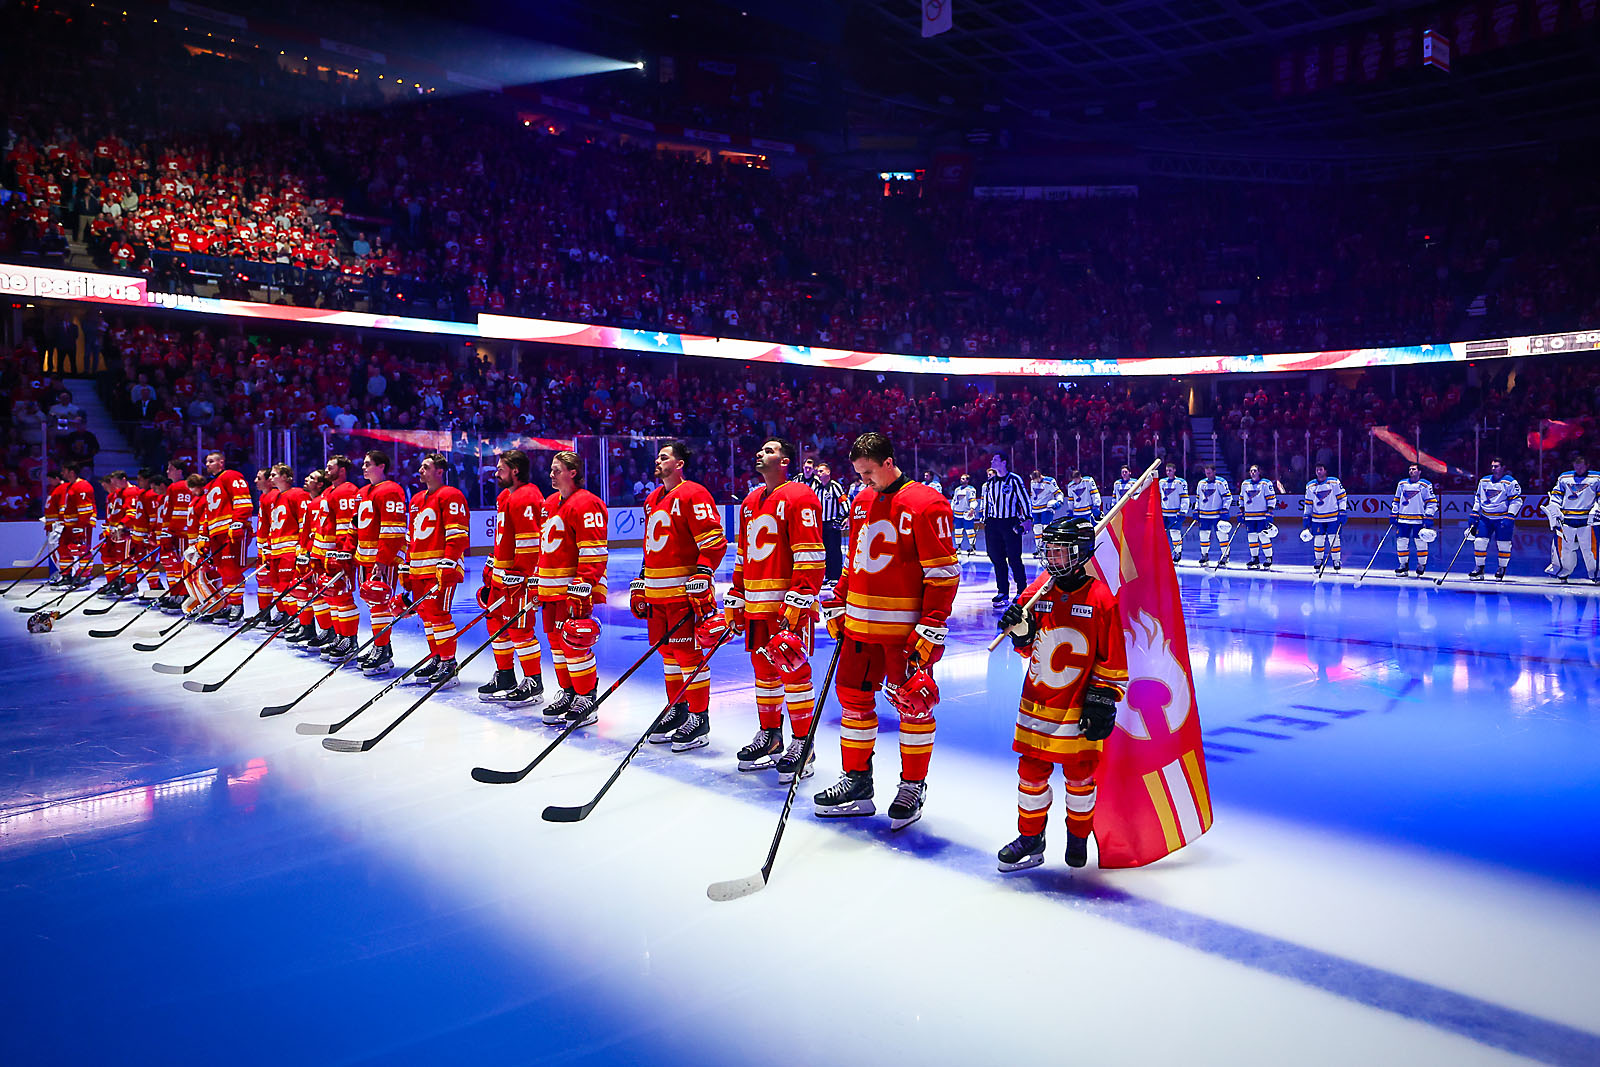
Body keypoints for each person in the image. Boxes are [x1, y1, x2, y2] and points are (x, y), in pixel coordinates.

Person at [814, 432, 958, 830]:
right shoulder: (860, 501)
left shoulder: (927, 502)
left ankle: (913, 785)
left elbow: (943, 573)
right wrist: (838, 599)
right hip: (859, 628)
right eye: (859, 474)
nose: (864, 482)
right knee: (854, 702)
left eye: (869, 473)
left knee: (914, 705)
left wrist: (932, 623)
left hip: (903, 634)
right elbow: (855, 558)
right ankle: (857, 782)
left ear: (889, 462)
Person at [995, 517, 1128, 871]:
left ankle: (1078, 835)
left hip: (1076, 707)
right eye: (1048, 550)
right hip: (1037, 704)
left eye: (1059, 551)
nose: (1051, 557)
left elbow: (1112, 658)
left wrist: (1102, 701)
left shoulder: (1101, 598)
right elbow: (1027, 647)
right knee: (1031, 774)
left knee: (1081, 777)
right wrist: (1019, 631)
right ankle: (1030, 836)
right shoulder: (1041, 590)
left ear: (1081, 553)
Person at [726, 438, 825, 781]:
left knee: (793, 670)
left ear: (785, 461)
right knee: (763, 671)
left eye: (769, 451)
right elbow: (743, 555)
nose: (760, 454)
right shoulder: (750, 501)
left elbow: (811, 553)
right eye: (761, 450)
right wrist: (737, 594)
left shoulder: (800, 496)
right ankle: (770, 736)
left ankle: (803, 743)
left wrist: (799, 599)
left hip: (786, 606)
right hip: (755, 604)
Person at [639, 441, 728, 751]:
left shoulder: (694, 493)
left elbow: (714, 540)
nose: (658, 461)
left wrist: (703, 572)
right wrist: (641, 580)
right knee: (667, 656)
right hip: (657, 594)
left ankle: (698, 717)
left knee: (688, 657)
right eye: (658, 457)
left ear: (679, 464)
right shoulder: (652, 499)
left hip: (682, 594)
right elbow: (650, 545)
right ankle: (676, 709)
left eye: (664, 457)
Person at [534, 450, 609, 725]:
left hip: (572, 590)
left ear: (572, 472)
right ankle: (568, 692)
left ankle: (586, 697)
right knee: (556, 644)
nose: (551, 474)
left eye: (556, 470)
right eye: (551, 470)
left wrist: (585, 582)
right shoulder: (550, 503)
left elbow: (594, 548)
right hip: (550, 587)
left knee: (574, 643)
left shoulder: (587, 503)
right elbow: (545, 547)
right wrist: (537, 578)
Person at [479, 449, 546, 706]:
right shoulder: (506, 495)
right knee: (496, 626)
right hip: (501, 576)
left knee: (520, 630)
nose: (496, 472)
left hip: (517, 579)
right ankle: (505, 675)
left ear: (515, 470)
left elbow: (531, 542)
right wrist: (494, 565)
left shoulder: (528, 495)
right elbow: (505, 537)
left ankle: (532, 681)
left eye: (501, 468)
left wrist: (523, 575)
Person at [401, 452, 467, 690]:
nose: (421, 470)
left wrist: (449, 562)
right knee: (426, 616)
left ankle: (449, 664)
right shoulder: (417, 499)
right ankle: (437, 656)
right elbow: (412, 536)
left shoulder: (451, 495)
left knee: (438, 615)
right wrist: (407, 565)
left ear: (440, 471)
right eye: (421, 466)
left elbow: (458, 533)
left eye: (426, 467)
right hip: (419, 568)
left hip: (440, 568)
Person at [353, 450, 409, 674]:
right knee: (372, 604)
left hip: (380, 560)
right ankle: (380, 644)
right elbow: (356, 526)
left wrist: (384, 560)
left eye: (369, 464)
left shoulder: (391, 490)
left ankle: (382, 650)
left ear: (382, 466)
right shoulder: (363, 492)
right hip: (364, 557)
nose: (364, 468)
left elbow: (393, 527)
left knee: (380, 604)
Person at [197, 450, 254, 625]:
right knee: (222, 571)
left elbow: (242, 500)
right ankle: (228, 603)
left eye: (212, 461)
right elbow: (208, 513)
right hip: (216, 535)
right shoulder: (210, 486)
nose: (208, 464)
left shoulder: (231, 475)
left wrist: (238, 523)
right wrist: (204, 536)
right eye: (206, 462)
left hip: (231, 532)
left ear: (222, 462)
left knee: (231, 570)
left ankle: (237, 605)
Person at [310, 454, 360, 654]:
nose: (327, 470)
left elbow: (348, 526)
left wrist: (343, 552)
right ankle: (340, 637)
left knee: (343, 596)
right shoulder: (330, 491)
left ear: (342, 470)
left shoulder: (348, 490)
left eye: (331, 467)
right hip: (325, 553)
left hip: (339, 554)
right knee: (332, 597)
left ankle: (349, 640)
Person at [285, 470, 332, 647]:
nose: (306, 479)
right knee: (308, 592)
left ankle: (329, 631)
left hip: (321, 555)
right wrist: (302, 551)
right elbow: (305, 532)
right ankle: (313, 627)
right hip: (309, 554)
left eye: (312, 478)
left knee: (322, 594)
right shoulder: (312, 503)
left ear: (321, 484)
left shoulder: (321, 503)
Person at [980, 452, 1029, 606]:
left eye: (995, 459)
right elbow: (987, 503)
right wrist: (986, 520)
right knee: (996, 557)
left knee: (1014, 557)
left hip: (1010, 523)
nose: (992, 461)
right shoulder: (990, 483)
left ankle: (1021, 589)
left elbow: (1024, 500)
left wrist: (1027, 518)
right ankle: (1002, 591)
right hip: (993, 523)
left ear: (1004, 462)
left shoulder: (1014, 480)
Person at [265, 465, 308, 625]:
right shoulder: (275, 497)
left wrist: (302, 547)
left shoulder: (298, 494)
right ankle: (291, 617)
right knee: (277, 586)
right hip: (276, 551)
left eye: (274, 474)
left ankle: (298, 620)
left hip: (290, 550)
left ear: (285, 476)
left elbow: (305, 522)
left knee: (288, 586)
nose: (271, 478)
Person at [1547, 454, 1600, 584]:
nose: (1579, 468)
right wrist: (1554, 508)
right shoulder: (1565, 477)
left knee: (1590, 549)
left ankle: (1596, 574)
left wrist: (1597, 508)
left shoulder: (1596, 478)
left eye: (1581, 465)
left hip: (1587, 519)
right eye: (1576, 465)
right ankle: (1563, 572)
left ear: (1587, 465)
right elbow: (1556, 495)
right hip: (1567, 519)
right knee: (1565, 548)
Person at [1469, 457, 1522, 581]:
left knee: (1504, 544)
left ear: (1503, 468)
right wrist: (1475, 512)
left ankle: (1501, 568)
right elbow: (1478, 498)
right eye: (1492, 466)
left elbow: (1516, 500)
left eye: (1496, 466)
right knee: (1479, 542)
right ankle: (1479, 568)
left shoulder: (1510, 482)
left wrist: (1511, 515)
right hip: (1485, 518)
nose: (1493, 469)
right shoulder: (1484, 481)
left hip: (1502, 518)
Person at [159, 460, 197, 610]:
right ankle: (181, 595)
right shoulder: (191, 487)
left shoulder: (175, 487)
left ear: (180, 471)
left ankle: (179, 596)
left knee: (175, 566)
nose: (168, 472)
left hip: (179, 535)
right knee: (184, 567)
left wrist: (166, 533)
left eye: (171, 469)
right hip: (191, 534)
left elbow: (169, 513)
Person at [1391, 463, 1439, 578]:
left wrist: (1429, 516)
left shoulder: (1425, 485)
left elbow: (1432, 502)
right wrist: (1394, 513)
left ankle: (1421, 565)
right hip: (1403, 519)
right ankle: (1403, 565)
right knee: (1401, 542)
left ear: (1419, 471)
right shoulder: (1402, 484)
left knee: (1421, 543)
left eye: (1414, 469)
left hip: (1419, 519)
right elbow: (1396, 500)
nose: (1411, 471)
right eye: (1410, 469)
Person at [1301, 463, 1348, 572]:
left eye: (1321, 469)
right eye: (1317, 470)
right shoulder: (1310, 486)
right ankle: (1318, 560)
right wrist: (1306, 515)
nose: (1318, 472)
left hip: (1332, 517)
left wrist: (1342, 511)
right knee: (1318, 539)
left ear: (1325, 471)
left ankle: (1336, 560)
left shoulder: (1334, 482)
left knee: (1334, 539)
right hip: (1317, 518)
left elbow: (1342, 497)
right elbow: (1308, 503)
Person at [57, 460, 96, 587]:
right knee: (63, 548)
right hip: (69, 526)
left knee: (81, 550)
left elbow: (85, 510)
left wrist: (80, 528)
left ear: (72, 472)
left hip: (80, 526)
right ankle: (66, 575)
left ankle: (84, 575)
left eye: (64, 471)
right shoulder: (70, 486)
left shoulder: (83, 486)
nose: (62, 473)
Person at [1237, 464, 1278, 570]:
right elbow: (1242, 498)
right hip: (1250, 516)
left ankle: (1268, 558)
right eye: (1251, 471)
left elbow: (1271, 498)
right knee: (1252, 538)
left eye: (1255, 470)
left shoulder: (1265, 483)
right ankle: (1254, 558)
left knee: (1263, 537)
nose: (1253, 473)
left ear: (1259, 472)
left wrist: (1269, 511)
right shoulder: (1245, 484)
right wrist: (1241, 511)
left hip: (1261, 516)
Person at [813, 462, 848, 583]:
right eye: (818, 471)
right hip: (820, 524)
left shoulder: (835, 486)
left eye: (821, 471)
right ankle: (827, 575)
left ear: (828, 472)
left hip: (832, 523)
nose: (819, 473)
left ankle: (835, 576)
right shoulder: (816, 488)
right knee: (823, 551)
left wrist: (847, 516)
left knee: (834, 550)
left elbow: (844, 500)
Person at [252, 468, 279, 621]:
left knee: (272, 581)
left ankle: (280, 615)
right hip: (263, 546)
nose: (256, 481)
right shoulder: (265, 497)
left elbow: (275, 524)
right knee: (263, 579)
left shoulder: (274, 496)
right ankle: (264, 613)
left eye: (259, 478)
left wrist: (268, 545)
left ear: (269, 481)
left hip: (271, 546)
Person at [1193, 464, 1233, 566]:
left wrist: (1225, 509)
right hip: (1204, 515)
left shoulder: (1221, 482)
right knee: (1203, 536)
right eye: (1206, 473)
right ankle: (1204, 555)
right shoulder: (1201, 483)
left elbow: (1228, 497)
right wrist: (1196, 509)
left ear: (1214, 472)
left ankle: (1225, 555)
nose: (1208, 475)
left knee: (1222, 535)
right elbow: (1198, 498)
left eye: (1209, 473)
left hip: (1217, 515)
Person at [1158, 462, 1191, 562]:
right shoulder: (1161, 482)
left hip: (1175, 513)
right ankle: (1162, 553)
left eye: (1170, 470)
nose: (1168, 472)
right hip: (1164, 513)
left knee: (1175, 533)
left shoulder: (1181, 482)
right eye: (1167, 470)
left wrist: (1183, 511)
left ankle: (1177, 552)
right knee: (1161, 534)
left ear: (1174, 470)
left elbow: (1185, 498)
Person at [1029, 469, 1064, 553]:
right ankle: (1039, 548)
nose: (1035, 482)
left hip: (1046, 508)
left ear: (1040, 476)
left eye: (1036, 479)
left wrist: (1059, 501)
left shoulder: (1049, 481)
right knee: (1036, 529)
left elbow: (1058, 493)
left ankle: (1048, 548)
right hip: (1035, 508)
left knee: (1046, 528)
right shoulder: (1032, 482)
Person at [950, 472, 979, 556]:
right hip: (957, 514)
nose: (961, 480)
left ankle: (972, 547)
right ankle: (958, 547)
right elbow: (954, 501)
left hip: (967, 514)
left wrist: (972, 509)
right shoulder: (957, 489)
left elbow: (973, 500)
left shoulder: (971, 489)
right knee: (958, 531)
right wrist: (951, 510)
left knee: (970, 531)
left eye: (963, 478)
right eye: (961, 478)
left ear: (967, 480)